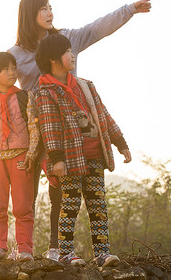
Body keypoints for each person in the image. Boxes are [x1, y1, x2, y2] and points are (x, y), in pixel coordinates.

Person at [8, 0, 156, 260]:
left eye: (51, 7)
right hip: (35, 126)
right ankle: (24, 249)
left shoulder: (67, 39)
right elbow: (1, 90)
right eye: (43, 9)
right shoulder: (15, 54)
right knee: (26, 188)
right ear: (30, 14)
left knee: (63, 192)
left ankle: (57, 248)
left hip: (69, 130)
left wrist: (129, 10)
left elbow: (97, 28)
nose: (50, 12)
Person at [35, 34, 131, 267]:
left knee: (98, 204)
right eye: (67, 52)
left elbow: (103, 115)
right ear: (52, 59)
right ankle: (66, 252)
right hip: (69, 159)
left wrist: (120, 142)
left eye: (72, 50)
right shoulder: (45, 93)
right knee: (70, 205)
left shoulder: (86, 86)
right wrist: (56, 159)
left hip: (95, 155)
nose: (73, 55)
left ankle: (102, 253)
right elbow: (49, 128)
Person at [0, 52, 39, 262]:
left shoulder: (25, 97)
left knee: (23, 205)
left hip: (20, 156)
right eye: (7, 69)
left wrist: (31, 152)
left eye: (14, 68)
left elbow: (33, 126)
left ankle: (25, 248)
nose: (13, 72)